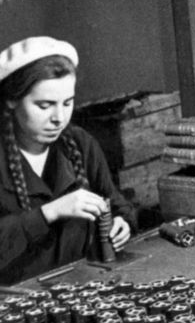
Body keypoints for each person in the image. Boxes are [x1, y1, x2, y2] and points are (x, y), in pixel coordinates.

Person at [0, 37, 134, 282]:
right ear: (12, 101)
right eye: (45, 105)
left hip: (81, 285)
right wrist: (49, 212)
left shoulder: (80, 143)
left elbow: (116, 203)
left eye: (67, 103)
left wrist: (122, 222)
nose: (59, 118)